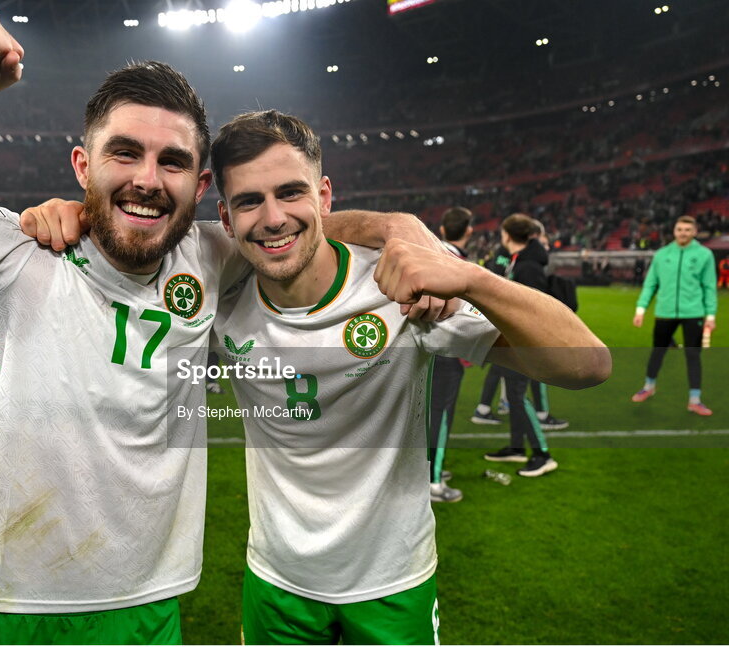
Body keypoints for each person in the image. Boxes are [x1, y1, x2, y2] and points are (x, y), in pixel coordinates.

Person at [0, 8, 444, 643]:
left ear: (200, 183)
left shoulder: (211, 255)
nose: (148, 179)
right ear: (82, 165)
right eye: (125, 153)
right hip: (16, 606)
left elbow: (293, 232)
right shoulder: (9, 252)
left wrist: (394, 228)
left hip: (153, 607)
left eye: (172, 161)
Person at [207, 111, 610, 644]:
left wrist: (469, 276)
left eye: (291, 192)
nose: (273, 216)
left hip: (393, 583)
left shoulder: (401, 290)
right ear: (226, 215)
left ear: (325, 196)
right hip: (276, 582)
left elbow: (588, 366)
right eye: (249, 201)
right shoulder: (219, 298)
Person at [482, 214, 562, 476]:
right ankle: (517, 448)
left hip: (524, 342)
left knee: (517, 395)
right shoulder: (521, 261)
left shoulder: (528, 267)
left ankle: (542, 454)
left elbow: (533, 310)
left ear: (507, 234)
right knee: (515, 395)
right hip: (513, 339)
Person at [631, 215, 717, 415]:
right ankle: (649, 387)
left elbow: (709, 287)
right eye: (680, 229)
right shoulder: (662, 254)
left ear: (695, 232)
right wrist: (640, 309)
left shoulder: (704, 255)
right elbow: (650, 284)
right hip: (665, 312)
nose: (683, 233)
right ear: (674, 231)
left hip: (693, 312)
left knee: (693, 355)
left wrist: (710, 315)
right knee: (658, 351)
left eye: (687, 230)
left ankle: (695, 400)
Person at [428, 206, 475, 503]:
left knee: (427, 415)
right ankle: (433, 482)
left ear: (443, 229)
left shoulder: (430, 252)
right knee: (440, 416)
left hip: (424, 349)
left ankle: (430, 469)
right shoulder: (454, 261)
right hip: (445, 350)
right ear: (469, 230)